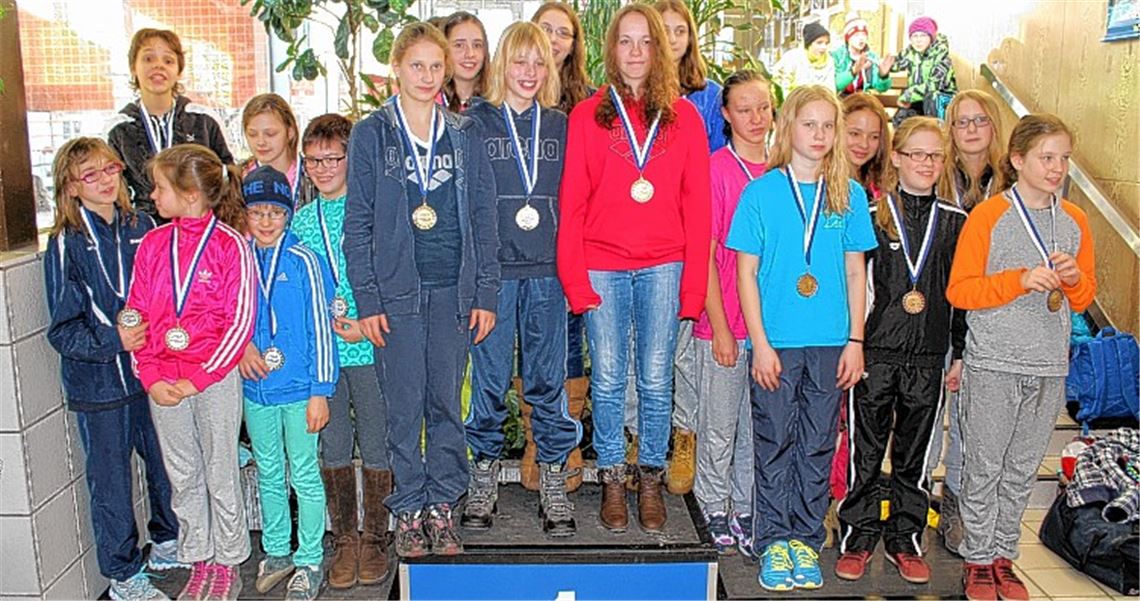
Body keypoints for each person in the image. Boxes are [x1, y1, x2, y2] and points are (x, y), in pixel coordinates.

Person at [343, 22, 499, 559]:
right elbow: (357, 222)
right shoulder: (371, 134)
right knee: (404, 407)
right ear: (397, 69)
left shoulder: (463, 135)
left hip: (453, 293)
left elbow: (483, 216)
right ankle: (409, 507)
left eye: (437, 66)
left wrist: (485, 294)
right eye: (418, 66)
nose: (429, 76)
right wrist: (368, 300)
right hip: (398, 297)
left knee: (445, 406)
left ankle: (443, 507)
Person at [557, 3, 711, 534]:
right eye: (626, 41)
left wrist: (693, 290)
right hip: (600, 265)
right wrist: (575, 280)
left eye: (647, 42)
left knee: (653, 378)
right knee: (607, 379)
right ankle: (612, 479)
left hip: (665, 265)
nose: (637, 52)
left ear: (661, 50)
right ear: (611, 49)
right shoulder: (587, 116)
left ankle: (650, 477)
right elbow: (572, 202)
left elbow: (699, 209)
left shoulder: (684, 117)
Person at [726, 85, 876, 592]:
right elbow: (746, 274)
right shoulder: (761, 193)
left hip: (832, 341)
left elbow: (857, 275)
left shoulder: (849, 195)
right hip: (777, 344)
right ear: (787, 127)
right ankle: (772, 541)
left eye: (827, 126)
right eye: (809, 124)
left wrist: (855, 340)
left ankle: (806, 541)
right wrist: (760, 344)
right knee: (773, 443)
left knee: (816, 444)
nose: (819, 134)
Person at [947, 114, 1096, 601]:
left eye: (1064, 158)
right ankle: (977, 558)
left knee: (1022, 468)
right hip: (994, 362)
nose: (1057, 168)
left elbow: (1084, 295)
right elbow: (960, 290)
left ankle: (1004, 556)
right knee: (985, 467)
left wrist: (1074, 280)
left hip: (1049, 365)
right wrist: (1018, 280)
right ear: (1017, 160)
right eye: (1046, 158)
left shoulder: (1073, 221)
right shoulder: (988, 216)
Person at [43, 138, 179, 601]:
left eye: (110, 169)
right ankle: (123, 574)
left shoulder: (141, 224)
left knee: (165, 467)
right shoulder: (66, 242)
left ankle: (166, 541)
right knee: (112, 482)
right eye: (90, 175)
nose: (104, 180)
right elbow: (62, 330)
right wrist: (112, 340)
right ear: (70, 187)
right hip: (99, 384)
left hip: (150, 374)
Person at [834, 117, 967, 585]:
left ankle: (905, 537)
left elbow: (960, 295)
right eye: (917, 154)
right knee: (865, 454)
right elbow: (854, 287)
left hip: (929, 356)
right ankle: (858, 535)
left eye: (935, 155)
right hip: (877, 353)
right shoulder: (870, 218)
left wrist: (959, 354)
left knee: (915, 457)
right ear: (895, 158)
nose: (926, 164)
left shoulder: (955, 222)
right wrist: (853, 344)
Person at [462, 21, 580, 537]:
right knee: (487, 382)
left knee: (547, 380)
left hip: (548, 274)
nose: (529, 73)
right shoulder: (473, 124)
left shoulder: (560, 125)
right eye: (519, 61)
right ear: (501, 65)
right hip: (493, 275)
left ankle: (553, 476)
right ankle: (484, 473)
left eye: (539, 63)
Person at [125, 144, 255, 600]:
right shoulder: (153, 245)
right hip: (163, 383)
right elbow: (136, 313)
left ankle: (229, 560)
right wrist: (151, 375)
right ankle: (199, 557)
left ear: (191, 195)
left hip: (213, 380)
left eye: (160, 188)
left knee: (220, 470)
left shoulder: (231, 246)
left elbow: (239, 323)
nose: (153, 196)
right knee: (182, 474)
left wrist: (197, 378)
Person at [292, 114, 393, 589]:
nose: (324, 167)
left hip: (369, 347)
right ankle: (345, 539)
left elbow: (394, 275)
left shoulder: (372, 210)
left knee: (376, 440)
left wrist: (368, 325)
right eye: (315, 159)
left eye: (334, 157)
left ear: (353, 158)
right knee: (332, 445)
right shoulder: (298, 222)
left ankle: (375, 537)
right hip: (325, 358)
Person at [238, 166, 337, 601]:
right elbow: (231, 315)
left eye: (274, 212)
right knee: (269, 472)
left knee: (304, 474)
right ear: (245, 214)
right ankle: (277, 549)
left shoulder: (304, 261)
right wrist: (241, 349)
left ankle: (310, 556)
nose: (264, 221)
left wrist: (321, 390)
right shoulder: (239, 259)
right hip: (256, 389)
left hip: (299, 391)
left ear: (288, 213)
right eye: (256, 211)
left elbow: (321, 328)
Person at [691, 70, 772, 557]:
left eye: (762, 106)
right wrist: (719, 327)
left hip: (770, 329)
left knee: (755, 427)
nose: (755, 118)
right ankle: (712, 507)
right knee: (719, 426)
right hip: (722, 325)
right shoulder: (715, 170)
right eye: (744, 108)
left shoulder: (786, 170)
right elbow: (702, 253)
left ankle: (745, 507)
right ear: (725, 114)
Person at [929, 88, 1007, 555]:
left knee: (972, 423)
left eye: (981, 120)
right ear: (950, 130)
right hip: (937, 311)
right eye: (962, 121)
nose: (972, 129)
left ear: (995, 127)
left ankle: (958, 506)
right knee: (933, 413)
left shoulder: (1015, 181)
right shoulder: (937, 177)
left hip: (992, 315)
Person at [528, 0, 594, 494]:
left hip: (576, 239)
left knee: (569, 342)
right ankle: (534, 442)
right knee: (530, 345)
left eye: (564, 33)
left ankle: (567, 445)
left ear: (574, 45)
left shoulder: (589, 103)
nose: (554, 40)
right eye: (545, 29)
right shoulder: (514, 94)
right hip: (522, 245)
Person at [107, 28, 233, 222]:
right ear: (133, 67)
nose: (158, 66)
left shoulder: (204, 121)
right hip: (143, 236)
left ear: (179, 70)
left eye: (168, 60)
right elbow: (113, 193)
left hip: (200, 235)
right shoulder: (118, 130)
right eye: (148, 59)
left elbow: (227, 180)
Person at [657, 0, 726, 152]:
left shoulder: (712, 96)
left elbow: (718, 160)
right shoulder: (636, 91)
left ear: (690, 39)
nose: (672, 39)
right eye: (664, 31)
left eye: (680, 31)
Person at [241, 93, 310, 209]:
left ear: (290, 132)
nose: (261, 142)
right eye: (252, 134)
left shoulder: (313, 175)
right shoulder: (238, 180)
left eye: (270, 134)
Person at [890, 17, 957, 126]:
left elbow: (934, 85)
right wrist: (880, 67)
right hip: (916, 100)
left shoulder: (942, 56)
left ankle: (937, 135)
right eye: (914, 36)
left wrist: (907, 96)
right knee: (901, 120)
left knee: (931, 99)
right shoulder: (911, 53)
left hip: (940, 102)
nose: (918, 40)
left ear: (931, 37)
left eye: (923, 35)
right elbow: (894, 64)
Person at [842, 93, 891, 202]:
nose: (864, 144)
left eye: (874, 137)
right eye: (855, 134)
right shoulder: (818, 182)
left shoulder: (880, 185)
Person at [832, 12, 894, 97]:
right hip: (840, 100)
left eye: (864, 35)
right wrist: (853, 72)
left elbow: (881, 88)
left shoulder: (871, 57)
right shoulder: (837, 56)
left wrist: (883, 76)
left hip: (863, 99)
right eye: (856, 35)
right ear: (848, 38)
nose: (861, 38)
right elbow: (835, 85)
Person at [441, 11, 489, 112]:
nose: (470, 54)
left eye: (477, 45)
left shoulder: (496, 102)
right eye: (459, 45)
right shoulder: (429, 101)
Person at [773, 22, 836, 93]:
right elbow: (782, 87)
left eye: (826, 43)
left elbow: (830, 90)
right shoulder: (792, 58)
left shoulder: (829, 61)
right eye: (819, 43)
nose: (824, 47)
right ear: (808, 44)